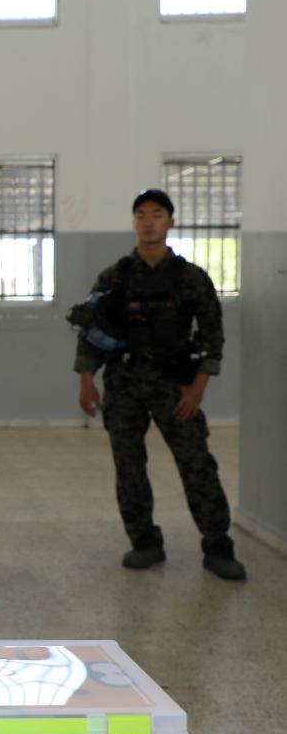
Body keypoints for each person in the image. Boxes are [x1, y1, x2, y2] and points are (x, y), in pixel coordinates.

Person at [71, 188, 245, 580]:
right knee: (129, 466)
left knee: (196, 464)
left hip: (175, 386)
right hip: (124, 383)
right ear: (134, 222)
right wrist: (87, 381)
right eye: (141, 215)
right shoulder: (115, 276)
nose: (148, 221)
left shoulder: (190, 278)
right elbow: (91, 329)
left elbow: (213, 335)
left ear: (170, 222)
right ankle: (144, 541)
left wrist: (198, 388)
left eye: (156, 214)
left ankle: (218, 545)